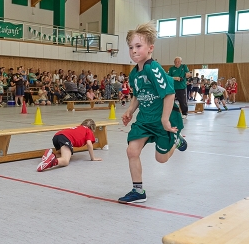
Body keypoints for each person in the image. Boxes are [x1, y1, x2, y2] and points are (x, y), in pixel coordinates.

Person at [118, 22, 187, 204]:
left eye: (138, 46)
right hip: (145, 119)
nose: (133, 51)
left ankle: (177, 140)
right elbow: (138, 95)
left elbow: (170, 92)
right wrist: (130, 110)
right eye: (131, 47)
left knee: (161, 159)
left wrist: (165, 119)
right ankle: (138, 191)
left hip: (164, 118)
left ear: (150, 48)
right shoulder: (134, 74)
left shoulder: (152, 68)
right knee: (132, 151)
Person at [37, 119, 102, 172]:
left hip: (57, 136)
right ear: (92, 129)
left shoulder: (78, 127)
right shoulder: (88, 131)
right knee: (65, 161)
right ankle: (50, 163)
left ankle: (51, 155)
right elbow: (89, 143)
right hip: (66, 138)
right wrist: (93, 158)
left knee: (64, 155)